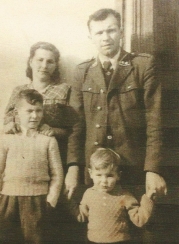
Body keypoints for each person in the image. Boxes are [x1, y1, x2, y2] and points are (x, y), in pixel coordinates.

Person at [67, 8, 167, 197]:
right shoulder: (82, 72)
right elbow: (76, 125)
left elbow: (155, 121)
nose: (105, 37)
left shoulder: (142, 66)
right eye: (99, 32)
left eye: (111, 30)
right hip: (95, 173)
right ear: (91, 37)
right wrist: (73, 166)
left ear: (121, 32)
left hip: (133, 169)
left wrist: (153, 169)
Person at [3, 41, 77, 199]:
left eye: (50, 61)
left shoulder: (65, 90)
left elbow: (74, 128)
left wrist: (52, 131)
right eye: (40, 60)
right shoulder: (19, 91)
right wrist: (10, 124)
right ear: (31, 62)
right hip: (22, 162)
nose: (44, 65)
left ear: (56, 65)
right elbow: (8, 118)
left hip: (54, 157)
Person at [0, 89, 63, 244]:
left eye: (38, 111)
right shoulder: (6, 138)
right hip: (8, 200)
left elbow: (57, 174)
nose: (34, 116)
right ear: (17, 112)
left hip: (39, 201)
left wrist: (51, 200)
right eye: (29, 111)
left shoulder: (48, 140)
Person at [71, 148, 154, 244]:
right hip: (93, 241)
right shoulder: (88, 194)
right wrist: (69, 200)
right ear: (91, 173)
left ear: (118, 175)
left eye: (109, 175)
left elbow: (139, 220)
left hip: (120, 242)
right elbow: (81, 216)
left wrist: (148, 198)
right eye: (99, 175)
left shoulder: (124, 196)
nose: (104, 181)